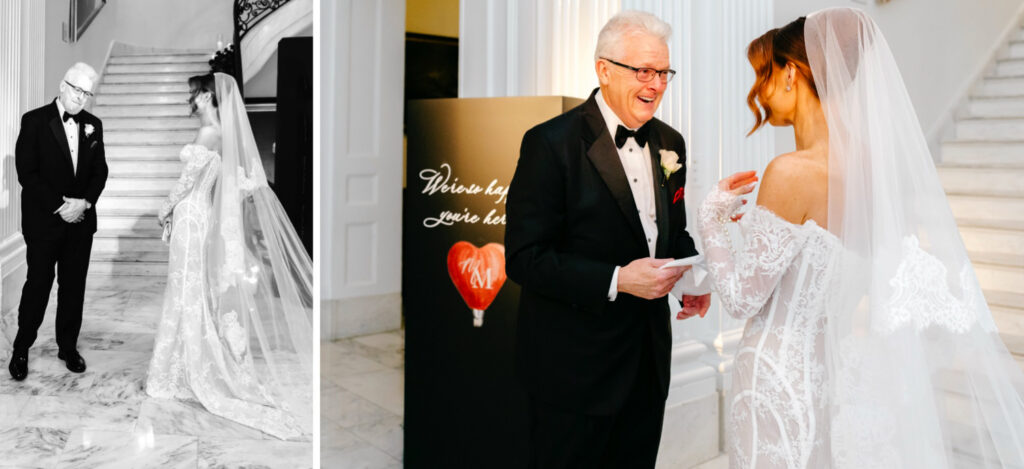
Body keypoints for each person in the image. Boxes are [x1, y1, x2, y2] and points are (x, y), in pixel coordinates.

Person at [701, 8, 1024, 467]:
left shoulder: (790, 173)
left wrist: (711, 216)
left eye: (764, 74)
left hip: (772, 378)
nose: (759, 91)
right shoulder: (875, 173)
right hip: (829, 378)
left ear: (792, 72)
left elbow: (739, 298)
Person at [505, 10, 711, 468]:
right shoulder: (550, 142)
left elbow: (670, 233)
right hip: (574, 371)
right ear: (604, 69)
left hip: (646, 363)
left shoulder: (671, 141)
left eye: (663, 72)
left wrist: (690, 279)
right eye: (643, 71)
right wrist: (617, 279)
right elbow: (524, 258)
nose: (655, 84)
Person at [145, 73, 313, 440]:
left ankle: (179, 369)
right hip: (200, 213)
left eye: (194, 94)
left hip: (190, 213)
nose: (190, 100)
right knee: (190, 292)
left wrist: (165, 208)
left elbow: (187, 181)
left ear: (207, 96)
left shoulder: (208, 134)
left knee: (184, 291)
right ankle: (184, 363)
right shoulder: (222, 134)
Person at [9, 62, 107, 381]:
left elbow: (99, 171)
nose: (81, 98)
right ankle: (22, 348)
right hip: (44, 222)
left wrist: (85, 202)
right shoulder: (35, 120)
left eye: (87, 93)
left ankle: (68, 347)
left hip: (80, 222)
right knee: (38, 284)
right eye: (77, 90)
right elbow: (28, 173)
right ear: (63, 85)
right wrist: (60, 206)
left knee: (73, 287)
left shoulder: (94, 125)